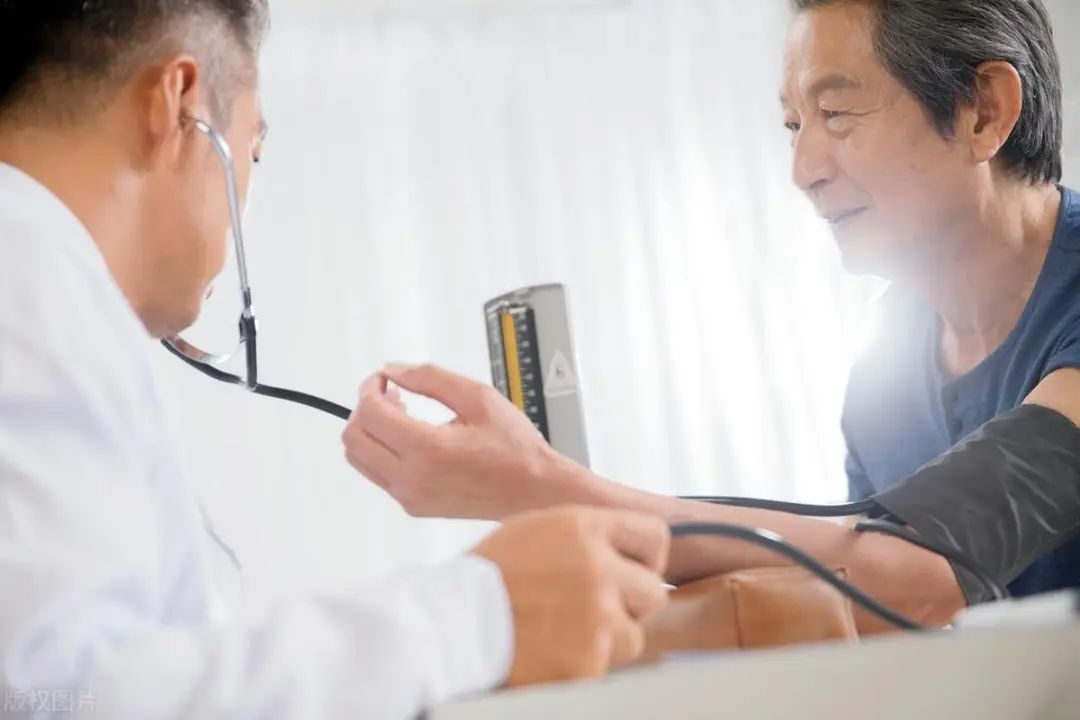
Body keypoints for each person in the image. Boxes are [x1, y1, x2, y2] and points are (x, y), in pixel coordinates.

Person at [0, 2, 673, 718]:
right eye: (253, 151)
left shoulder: (46, 285)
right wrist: (482, 617)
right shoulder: (26, 271)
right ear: (179, 101)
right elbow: (67, 696)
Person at [343, 0, 1080, 631]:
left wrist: (538, 487)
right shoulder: (881, 385)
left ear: (984, 111)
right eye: (793, 125)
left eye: (835, 113)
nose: (804, 170)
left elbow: (913, 576)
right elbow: (843, 595)